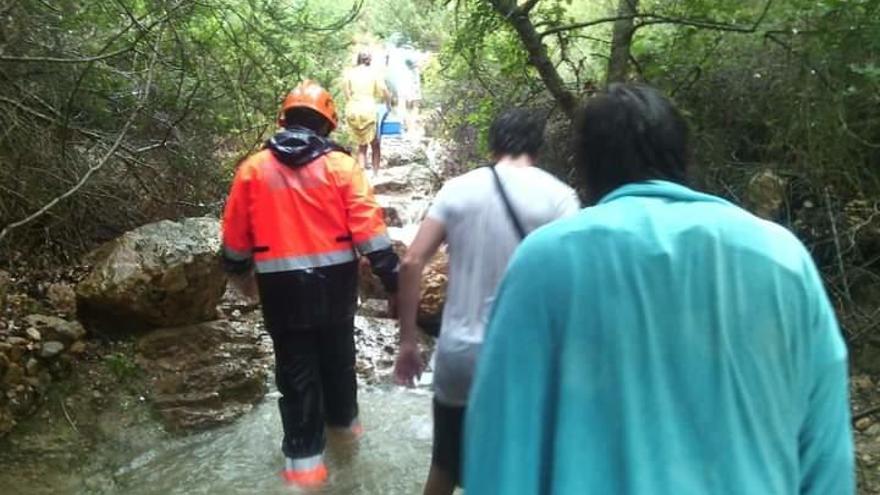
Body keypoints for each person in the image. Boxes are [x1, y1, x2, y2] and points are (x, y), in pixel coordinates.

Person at [464, 84, 854, 494]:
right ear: (685, 158)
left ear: (587, 171)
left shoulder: (545, 261)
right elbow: (826, 451)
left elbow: (502, 444)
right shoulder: (782, 258)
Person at [221, 80, 399, 489]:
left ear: (284, 120)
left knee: (296, 375)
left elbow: (234, 239)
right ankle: (347, 440)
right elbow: (370, 231)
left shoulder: (253, 168)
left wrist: (239, 275)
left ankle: (305, 472)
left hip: (280, 291)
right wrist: (393, 280)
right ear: (328, 124)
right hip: (335, 287)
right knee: (339, 364)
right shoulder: (341, 167)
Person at [394, 109, 581, 495]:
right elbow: (571, 281)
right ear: (538, 147)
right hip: (522, 358)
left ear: (492, 144)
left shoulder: (458, 188)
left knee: (444, 465)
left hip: (459, 352)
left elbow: (412, 261)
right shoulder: (560, 198)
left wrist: (408, 341)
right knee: (518, 471)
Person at [344, 52, 391, 174]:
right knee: (375, 144)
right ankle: (375, 174)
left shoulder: (350, 73)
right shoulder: (374, 73)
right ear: (369, 60)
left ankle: (362, 176)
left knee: (361, 145)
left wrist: (353, 103)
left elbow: (347, 93)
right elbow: (384, 90)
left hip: (353, 109)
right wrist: (388, 104)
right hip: (368, 109)